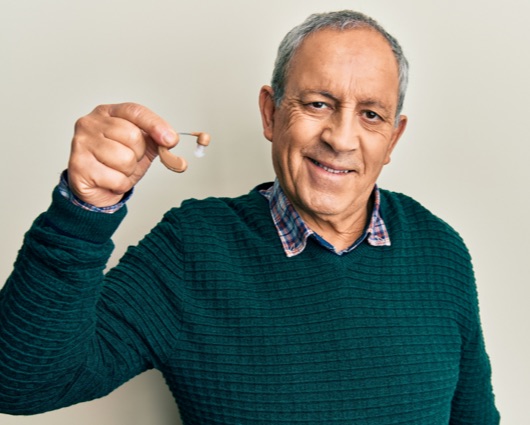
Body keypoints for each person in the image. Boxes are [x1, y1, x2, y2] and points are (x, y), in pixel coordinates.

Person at [0, 9, 499, 424]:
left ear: (393, 137)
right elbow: (21, 383)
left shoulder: (441, 253)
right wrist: (82, 211)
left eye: (371, 114)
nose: (342, 138)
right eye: (319, 103)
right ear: (270, 113)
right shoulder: (191, 249)